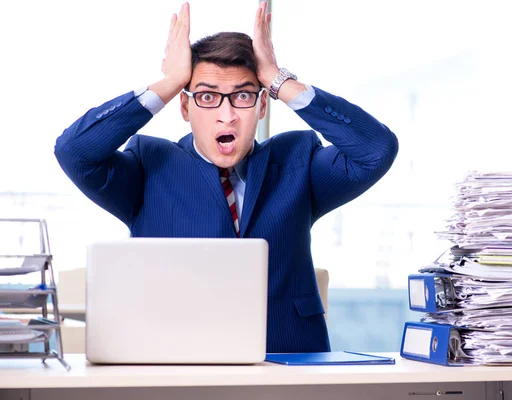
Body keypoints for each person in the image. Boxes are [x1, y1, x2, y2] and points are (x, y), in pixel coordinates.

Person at [55, 2, 398, 353]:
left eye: (244, 96)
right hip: (177, 363)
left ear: (262, 105)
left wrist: (279, 79)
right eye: (207, 97)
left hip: (287, 361)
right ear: (185, 108)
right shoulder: (148, 165)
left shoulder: (298, 160)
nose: (227, 115)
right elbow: (74, 152)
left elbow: (376, 150)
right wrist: (170, 82)